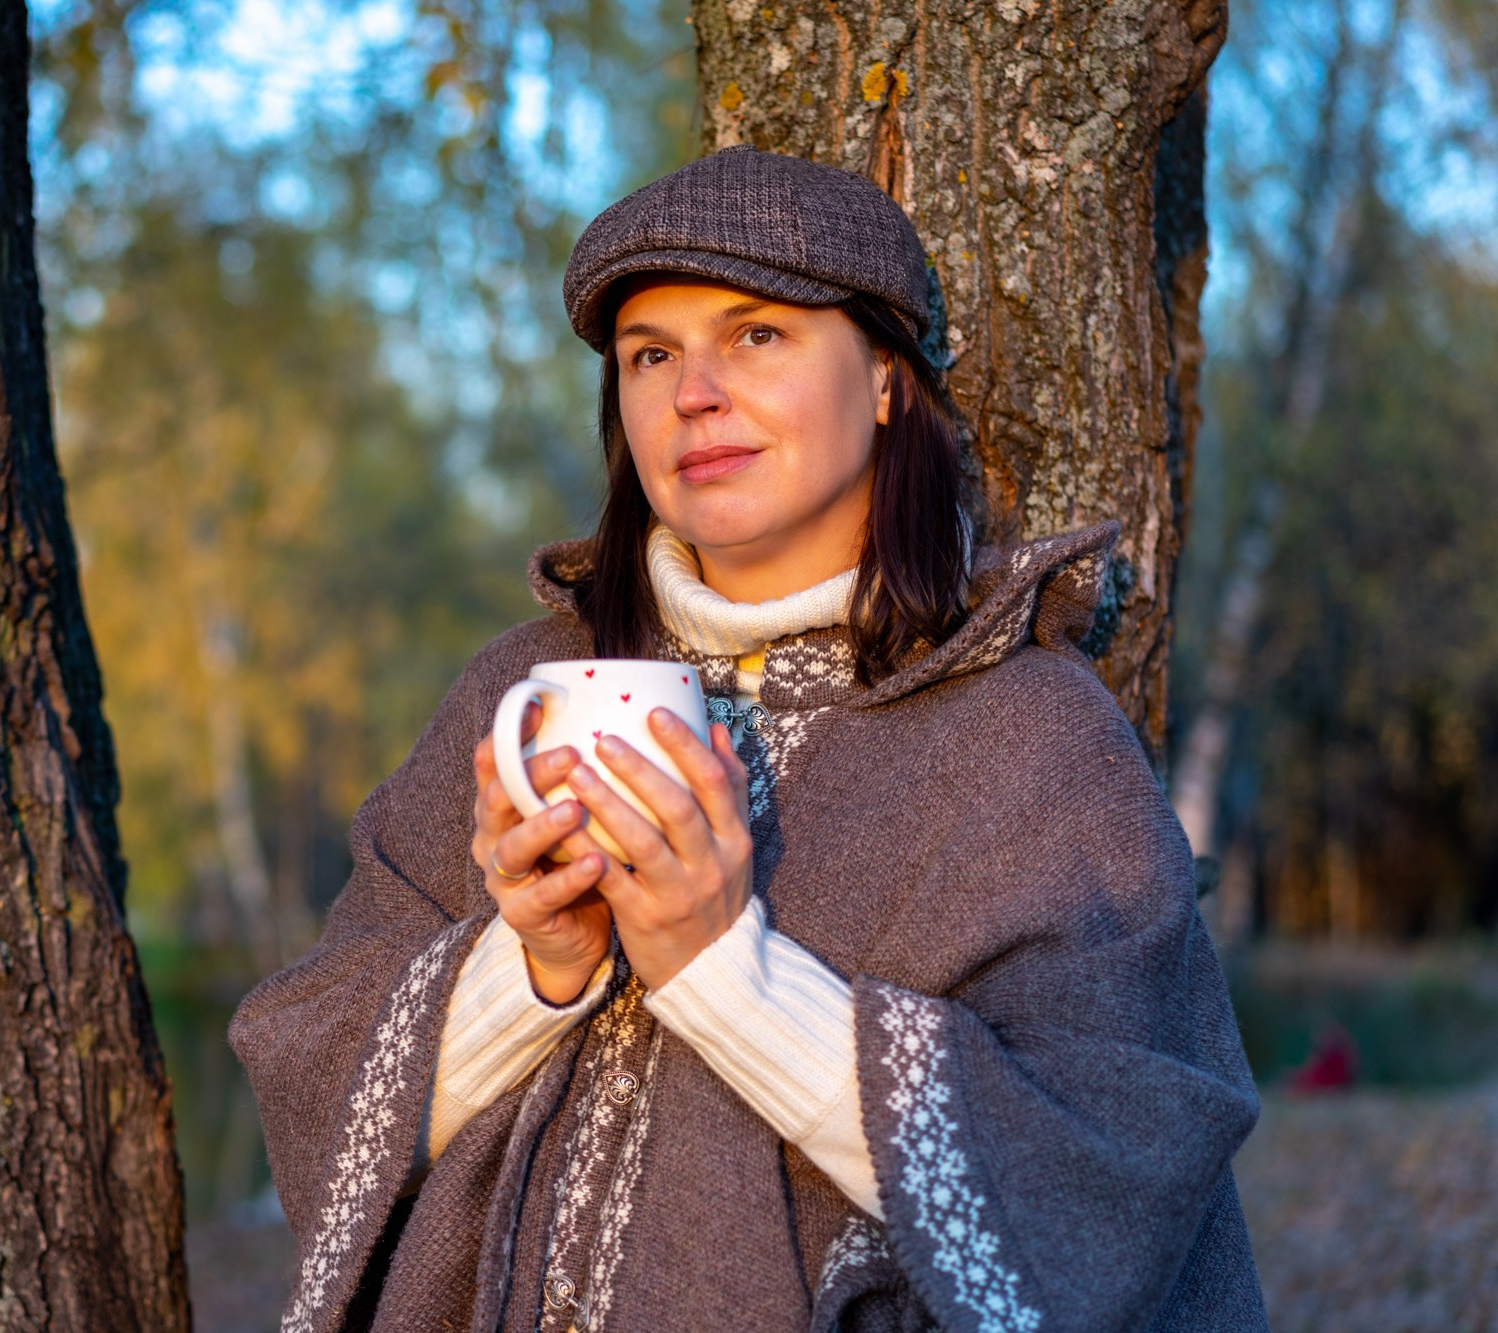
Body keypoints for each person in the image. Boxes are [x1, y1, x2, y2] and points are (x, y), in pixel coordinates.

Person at [229, 144, 1267, 1333]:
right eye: (649, 355)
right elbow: (307, 1050)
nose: (692, 394)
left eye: (756, 335)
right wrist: (531, 972)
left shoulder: (1023, 732)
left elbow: (1112, 1166)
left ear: (884, 376)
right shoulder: (519, 692)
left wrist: (721, 969)